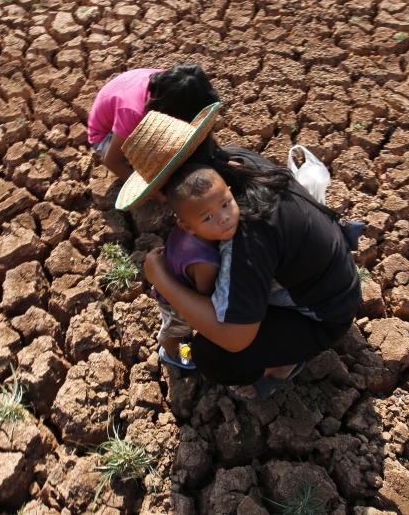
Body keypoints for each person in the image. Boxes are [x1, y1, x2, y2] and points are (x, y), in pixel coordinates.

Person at [115, 103, 361, 401]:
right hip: (330, 275)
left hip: (323, 313)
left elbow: (234, 338)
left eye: (153, 190)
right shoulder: (232, 163)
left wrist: (162, 279)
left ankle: (280, 365)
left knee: (214, 356)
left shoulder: (242, 233)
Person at [152, 164, 239, 369]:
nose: (223, 218)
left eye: (226, 204)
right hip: (176, 302)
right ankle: (173, 352)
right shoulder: (205, 262)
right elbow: (206, 300)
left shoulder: (191, 229)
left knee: (175, 327)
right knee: (175, 331)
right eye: (208, 217)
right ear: (187, 227)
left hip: (169, 281)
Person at [87, 64, 220, 180]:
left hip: (122, 112)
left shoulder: (174, 82)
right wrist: (156, 195)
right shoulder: (135, 113)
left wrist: (216, 152)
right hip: (104, 137)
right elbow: (111, 161)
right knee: (168, 160)